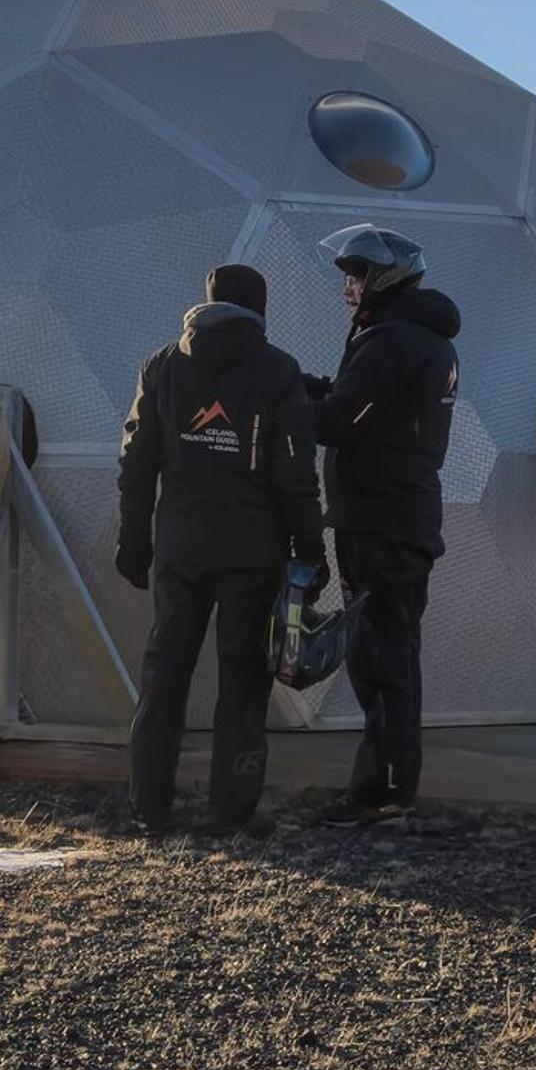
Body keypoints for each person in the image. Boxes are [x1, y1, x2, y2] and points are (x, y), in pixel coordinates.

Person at [115, 262, 327, 837]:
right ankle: (231, 813)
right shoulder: (278, 371)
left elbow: (137, 463)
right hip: (252, 557)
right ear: (260, 308)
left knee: (164, 678)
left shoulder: (163, 366)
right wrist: (310, 549)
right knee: (242, 686)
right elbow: (295, 474)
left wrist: (133, 543)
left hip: (180, 551)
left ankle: (147, 808)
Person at [301, 223, 461, 819]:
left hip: (382, 520)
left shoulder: (394, 341)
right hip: (392, 515)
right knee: (388, 650)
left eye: (356, 276)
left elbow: (341, 419)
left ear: (384, 278)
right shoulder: (409, 337)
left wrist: (270, 406)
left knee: (382, 655)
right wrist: (293, 381)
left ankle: (383, 791)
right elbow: (350, 397)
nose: (347, 288)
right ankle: (389, 785)